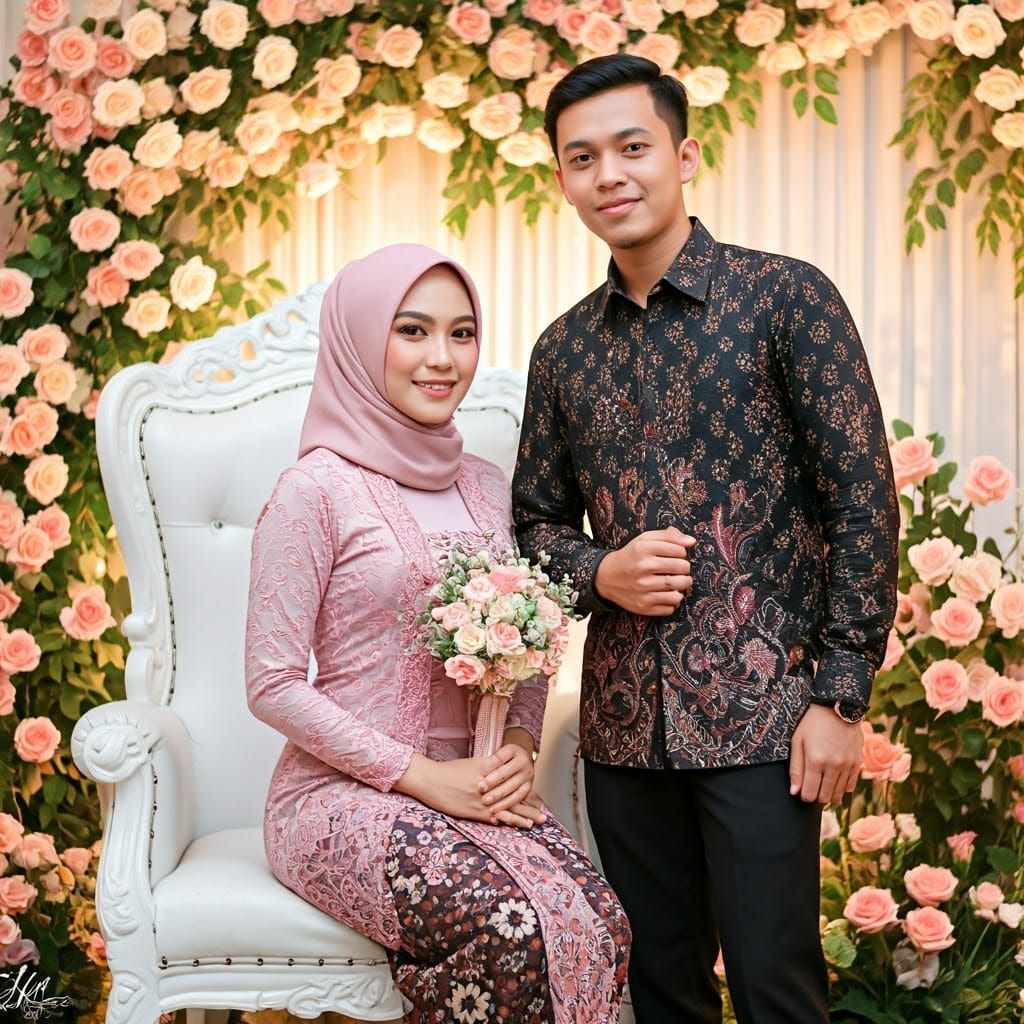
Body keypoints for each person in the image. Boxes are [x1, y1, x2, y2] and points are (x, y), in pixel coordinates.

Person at [512, 55, 900, 1024]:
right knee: (658, 989)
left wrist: (840, 697)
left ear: (683, 153)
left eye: (631, 147)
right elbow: (532, 526)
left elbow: (861, 498)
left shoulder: (785, 299)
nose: (610, 174)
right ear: (561, 177)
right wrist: (599, 569)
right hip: (620, 731)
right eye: (582, 157)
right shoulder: (561, 350)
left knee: (775, 983)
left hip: (767, 718)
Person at [244, 243, 630, 1024]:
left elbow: (532, 640)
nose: (442, 359)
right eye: (413, 331)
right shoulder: (312, 490)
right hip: (338, 799)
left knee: (603, 925)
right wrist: (423, 777)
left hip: (480, 786)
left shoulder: (489, 489)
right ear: (360, 341)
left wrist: (519, 750)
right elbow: (272, 682)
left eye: (462, 334)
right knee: (511, 927)